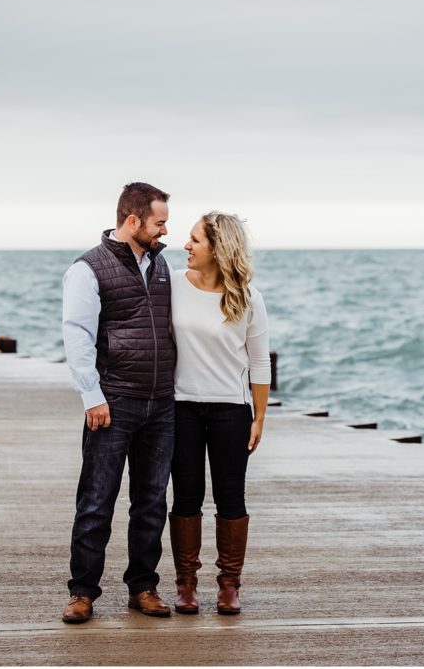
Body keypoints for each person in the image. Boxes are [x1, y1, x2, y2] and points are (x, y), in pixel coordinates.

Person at [60, 182, 177, 622]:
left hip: (161, 404)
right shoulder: (88, 268)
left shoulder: (163, 266)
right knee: (96, 500)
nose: (165, 229)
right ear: (133, 221)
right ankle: (83, 592)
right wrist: (92, 397)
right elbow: (78, 335)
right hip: (113, 403)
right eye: (160, 221)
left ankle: (143, 588)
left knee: (151, 502)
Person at [168, 212, 270, 615]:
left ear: (218, 248)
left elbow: (259, 363)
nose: (186, 246)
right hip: (181, 408)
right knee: (186, 497)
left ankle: (229, 585)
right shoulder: (173, 284)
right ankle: (187, 584)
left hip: (232, 410)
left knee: (231, 498)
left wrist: (259, 417)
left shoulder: (247, 297)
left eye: (195, 240)